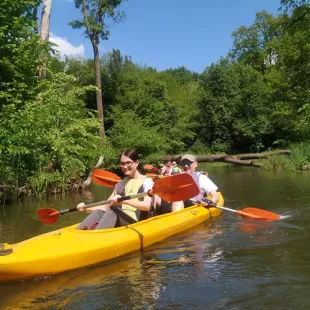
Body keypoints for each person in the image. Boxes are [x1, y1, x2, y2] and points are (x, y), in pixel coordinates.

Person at [76, 148, 154, 230]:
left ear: (136, 163)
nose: (125, 167)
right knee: (99, 212)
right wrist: (85, 208)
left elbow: (146, 206)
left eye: (128, 163)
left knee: (113, 209)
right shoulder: (121, 184)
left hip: (135, 222)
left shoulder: (146, 182)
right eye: (122, 164)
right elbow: (105, 207)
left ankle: (97, 236)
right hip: (121, 218)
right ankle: (79, 231)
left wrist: (124, 201)